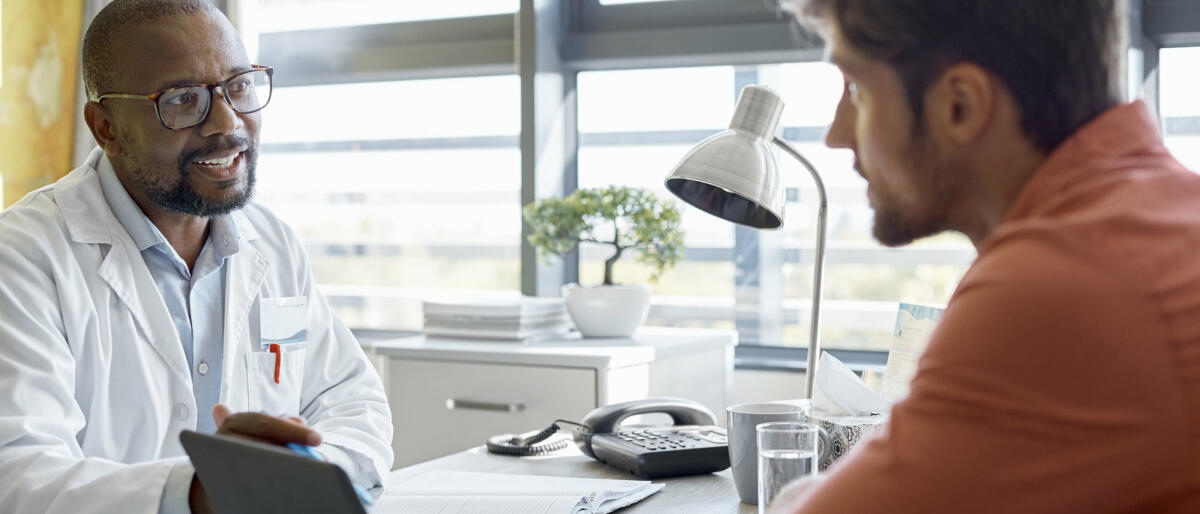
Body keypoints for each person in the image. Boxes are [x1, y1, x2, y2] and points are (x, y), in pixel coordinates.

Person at [766, 0, 1200, 512]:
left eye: (856, 89)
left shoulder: (1055, 284)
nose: (836, 136)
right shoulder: (1162, 212)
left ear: (960, 105)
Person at [0, 1, 392, 513]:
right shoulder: (24, 259)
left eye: (239, 86)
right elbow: (19, 473)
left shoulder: (270, 243)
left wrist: (302, 476)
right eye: (184, 99)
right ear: (106, 128)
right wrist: (201, 490)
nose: (227, 122)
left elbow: (352, 402)